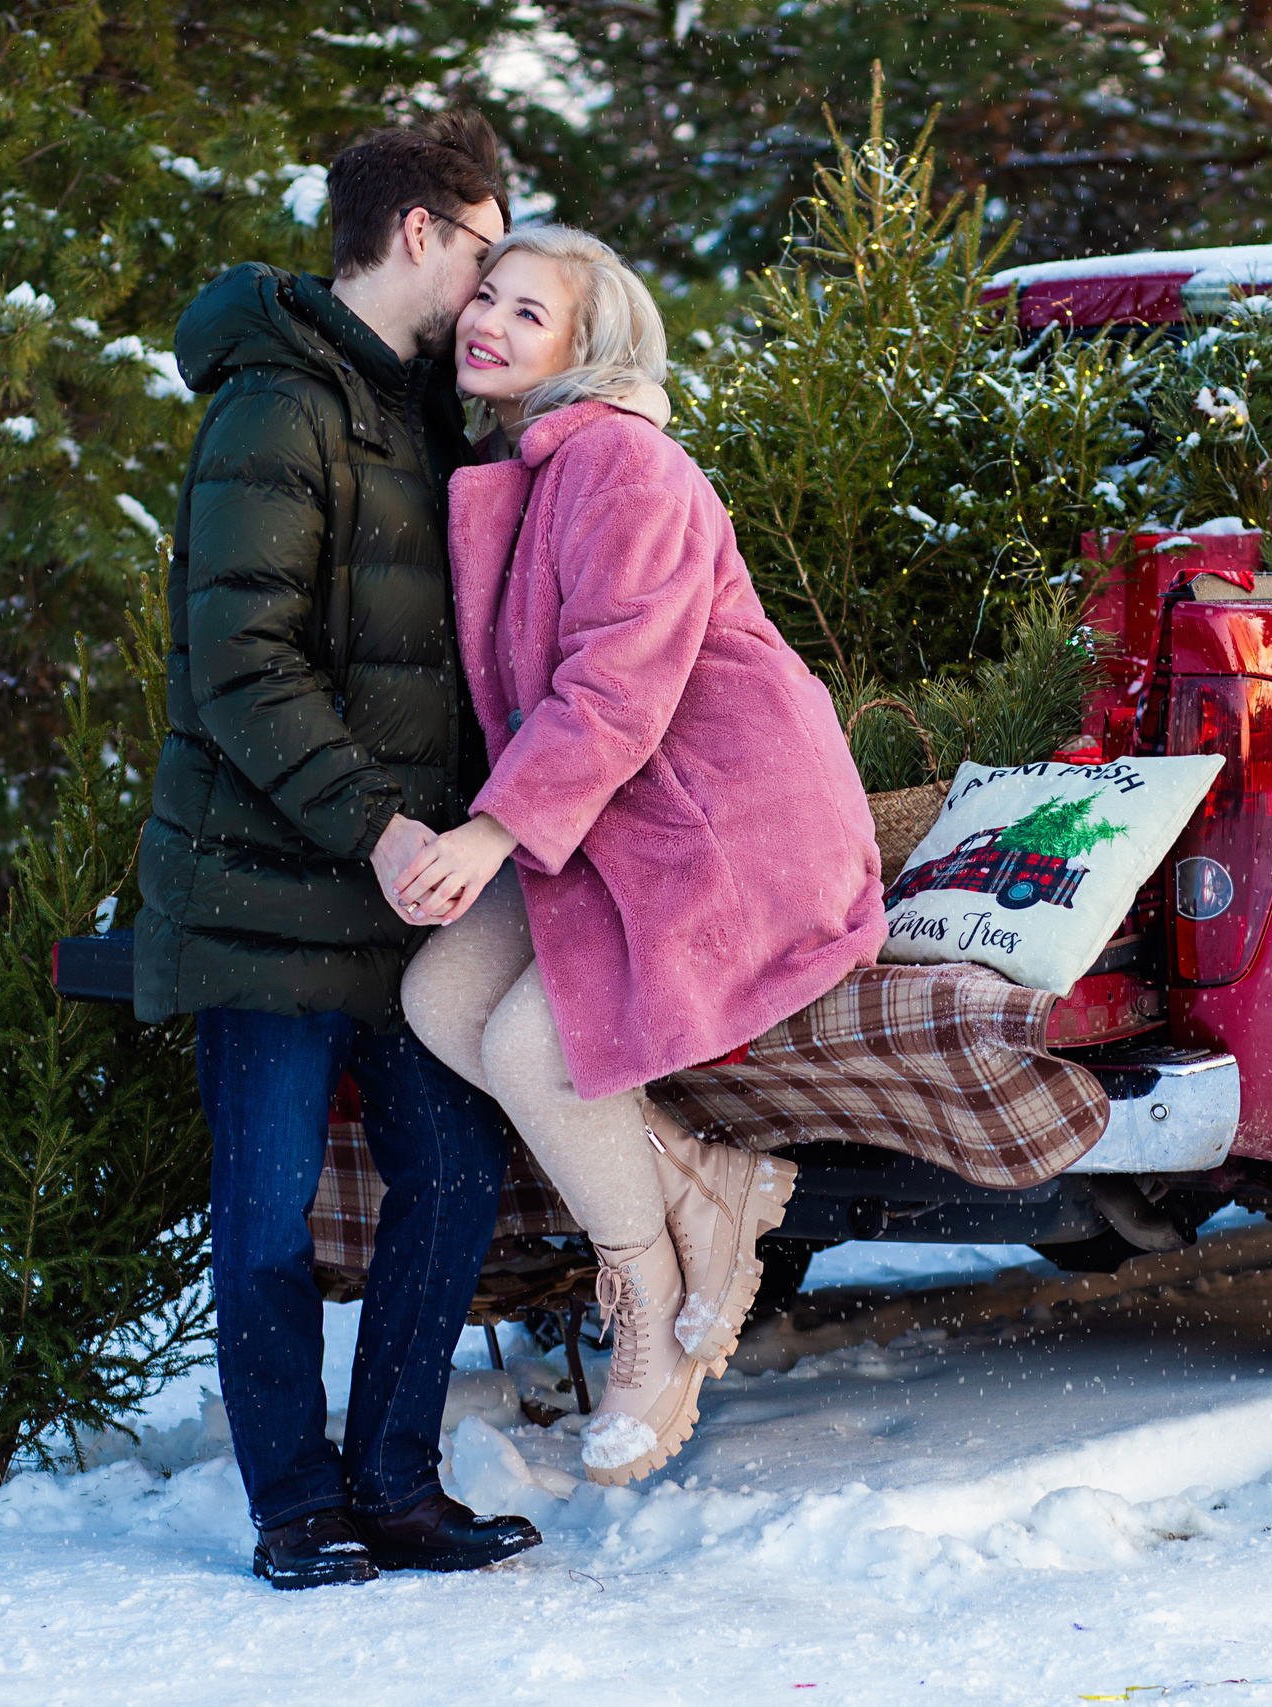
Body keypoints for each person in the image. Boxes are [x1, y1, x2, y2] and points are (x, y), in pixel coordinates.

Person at [393, 226, 886, 1487]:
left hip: (727, 824)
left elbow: (615, 687)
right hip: (609, 816)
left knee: (527, 1046)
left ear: (588, 346)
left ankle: (647, 1293)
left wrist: (492, 830)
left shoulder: (623, 461)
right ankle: (702, 1191)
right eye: (485, 297)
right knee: (441, 997)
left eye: (528, 312)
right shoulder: (532, 467)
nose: (487, 323)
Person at [132, 112, 542, 1590]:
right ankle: (295, 1507)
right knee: (266, 1214)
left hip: (400, 894)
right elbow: (240, 664)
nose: (494, 284)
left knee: (455, 1175)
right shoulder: (275, 409)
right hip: (265, 891)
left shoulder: (423, 410)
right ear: (421, 232)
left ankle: (395, 1485)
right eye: (487, 247)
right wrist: (377, 825)